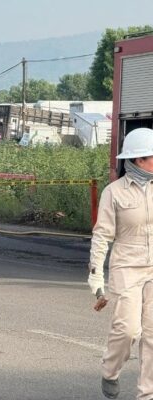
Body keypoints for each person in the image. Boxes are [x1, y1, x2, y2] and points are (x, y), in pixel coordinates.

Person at [88, 127, 153, 400]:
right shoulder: (113, 193)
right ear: (139, 159)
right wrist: (96, 279)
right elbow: (101, 235)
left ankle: (146, 394)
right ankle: (110, 369)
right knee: (127, 331)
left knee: (152, 335)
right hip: (126, 267)